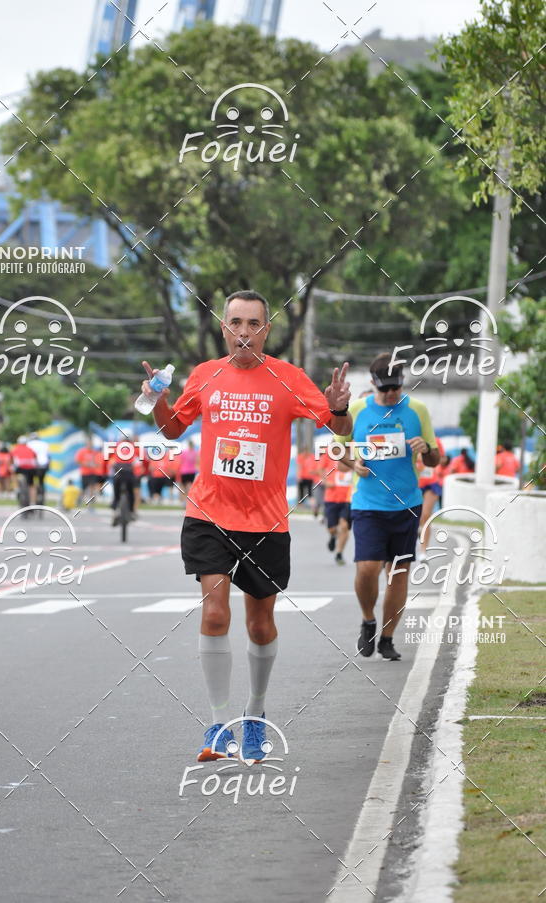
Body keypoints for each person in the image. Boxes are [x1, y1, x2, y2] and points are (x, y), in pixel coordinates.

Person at [141, 290, 352, 762]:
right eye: (235, 322)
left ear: (266, 329)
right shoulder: (205, 374)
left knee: (260, 625)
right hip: (209, 513)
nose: (243, 331)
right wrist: (158, 399)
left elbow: (339, 428)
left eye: (253, 323)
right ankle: (218, 727)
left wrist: (338, 408)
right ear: (223, 328)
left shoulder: (288, 378)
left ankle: (254, 718)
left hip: (265, 522)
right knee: (215, 615)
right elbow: (173, 429)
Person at [336, 353, 440, 661]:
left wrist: (427, 449)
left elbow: (435, 459)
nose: (392, 394)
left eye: (396, 388)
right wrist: (353, 463)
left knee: (398, 574)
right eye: (386, 389)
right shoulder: (356, 410)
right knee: (367, 568)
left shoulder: (417, 411)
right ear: (373, 384)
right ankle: (368, 619)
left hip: (406, 504)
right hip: (368, 503)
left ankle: (388, 638)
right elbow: (337, 449)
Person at [417, 438, 449, 562]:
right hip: (414, 484)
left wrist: (429, 457)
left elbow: (442, 459)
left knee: (426, 515)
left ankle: (423, 551)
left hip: (431, 483)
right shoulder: (410, 437)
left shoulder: (435, 440)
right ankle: (419, 528)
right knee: (416, 516)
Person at [319, 449, 352, 565]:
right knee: (332, 528)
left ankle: (339, 553)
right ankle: (333, 536)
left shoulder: (355, 451)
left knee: (344, 526)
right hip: (331, 497)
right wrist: (325, 481)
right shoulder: (330, 451)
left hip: (348, 498)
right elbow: (321, 468)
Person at [10, 436, 38, 504]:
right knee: (31, 485)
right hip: (31, 468)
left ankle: (16, 488)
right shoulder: (30, 449)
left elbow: (11, 458)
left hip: (20, 467)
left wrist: (11, 465)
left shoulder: (16, 449)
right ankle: (33, 502)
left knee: (12, 472)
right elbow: (35, 457)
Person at [27, 432, 50, 504]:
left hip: (33, 466)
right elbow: (48, 456)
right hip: (43, 465)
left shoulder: (28, 444)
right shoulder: (45, 444)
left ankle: (32, 500)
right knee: (41, 481)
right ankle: (41, 494)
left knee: (31, 483)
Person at [75, 438, 100, 503]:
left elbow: (98, 462)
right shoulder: (82, 451)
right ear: (87, 444)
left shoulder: (95, 452)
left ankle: (91, 500)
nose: (90, 446)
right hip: (84, 473)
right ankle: (79, 499)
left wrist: (95, 465)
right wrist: (85, 464)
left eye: (91, 445)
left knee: (92, 486)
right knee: (84, 488)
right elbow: (77, 461)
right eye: (89, 444)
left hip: (92, 472)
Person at [296, 446, 319, 515]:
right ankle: (313, 506)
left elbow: (299, 467)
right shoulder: (311, 457)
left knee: (303, 492)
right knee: (309, 493)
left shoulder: (301, 457)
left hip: (304, 477)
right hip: (309, 477)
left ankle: (302, 507)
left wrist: (298, 476)